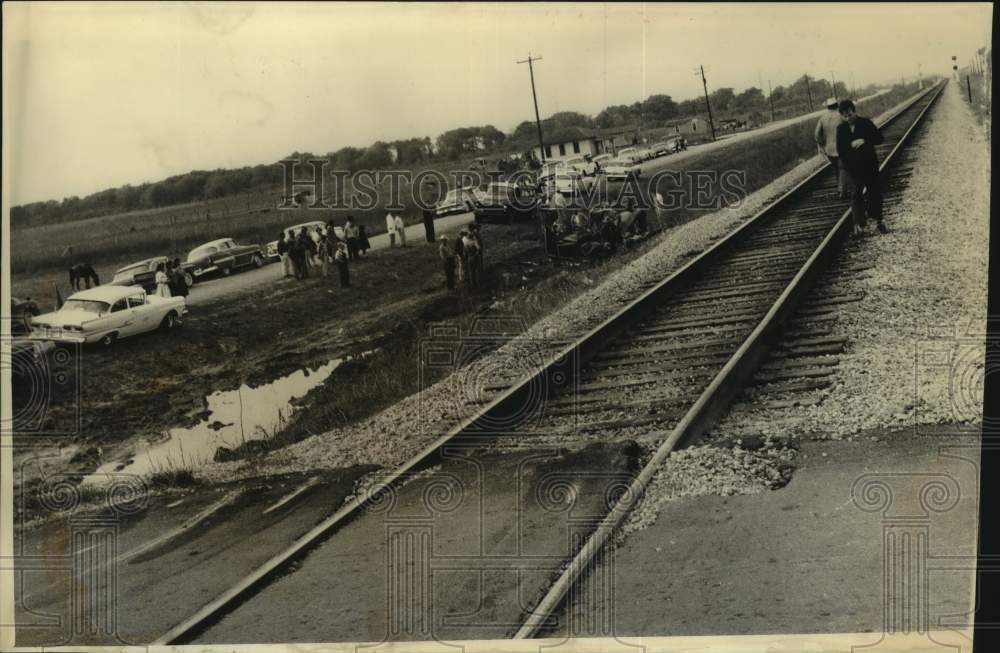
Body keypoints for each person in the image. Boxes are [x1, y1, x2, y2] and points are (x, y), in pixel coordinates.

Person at [836, 99, 886, 236]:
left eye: (849, 114)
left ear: (854, 111)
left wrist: (865, 140)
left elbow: (879, 139)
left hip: (869, 165)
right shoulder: (841, 129)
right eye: (844, 116)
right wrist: (848, 162)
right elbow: (840, 150)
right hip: (853, 168)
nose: (847, 118)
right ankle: (859, 224)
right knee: (856, 194)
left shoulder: (865, 123)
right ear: (841, 116)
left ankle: (877, 221)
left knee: (874, 192)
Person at [815, 97, 848, 199]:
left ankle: (840, 188)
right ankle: (842, 191)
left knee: (837, 168)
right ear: (837, 105)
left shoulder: (822, 118)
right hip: (841, 148)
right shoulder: (841, 116)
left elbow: (817, 134)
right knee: (843, 168)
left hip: (829, 149)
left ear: (827, 107)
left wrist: (822, 144)